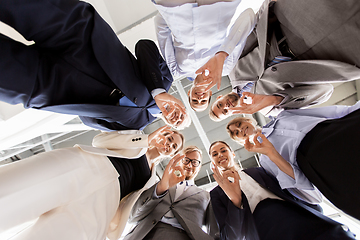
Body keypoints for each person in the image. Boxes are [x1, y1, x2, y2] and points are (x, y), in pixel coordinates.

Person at [0, 0, 190, 132]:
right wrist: (157, 91)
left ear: (170, 125)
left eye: (178, 122)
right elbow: (144, 46)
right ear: (181, 106)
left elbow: (91, 121)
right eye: (181, 114)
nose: (176, 117)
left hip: (52, 88)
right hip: (81, 37)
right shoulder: (164, 80)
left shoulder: (135, 127)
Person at [0, 126, 184, 240]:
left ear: (172, 154)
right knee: (23, 188)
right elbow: (100, 140)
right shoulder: (138, 139)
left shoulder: (154, 179)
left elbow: (136, 212)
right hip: (87, 167)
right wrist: (146, 139)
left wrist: (165, 183)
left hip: (104, 203)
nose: (169, 144)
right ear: (163, 133)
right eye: (169, 138)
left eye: (174, 146)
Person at [210, 0, 360, 119]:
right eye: (224, 111)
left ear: (219, 97)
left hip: (293, 24)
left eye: (220, 104)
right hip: (324, 55)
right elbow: (324, 91)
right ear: (230, 115)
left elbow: (253, 34)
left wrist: (271, 8)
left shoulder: (232, 69)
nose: (226, 106)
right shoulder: (269, 110)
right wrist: (276, 100)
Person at [226, 100, 360, 220]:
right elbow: (305, 190)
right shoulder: (265, 160)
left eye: (239, 124)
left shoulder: (283, 116)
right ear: (240, 142)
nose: (240, 129)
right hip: (324, 164)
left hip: (338, 131)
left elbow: (336, 112)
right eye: (236, 133)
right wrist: (271, 153)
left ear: (249, 120)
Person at [209, 141, 355, 240]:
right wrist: (235, 201)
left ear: (233, 153)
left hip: (299, 216)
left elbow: (291, 189)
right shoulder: (216, 194)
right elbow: (230, 236)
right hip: (265, 229)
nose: (220, 155)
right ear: (212, 163)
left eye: (223, 150)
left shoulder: (260, 171)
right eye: (214, 154)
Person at [152, 0, 256, 111]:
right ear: (210, 93)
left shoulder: (177, 70)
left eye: (194, 100)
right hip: (219, 4)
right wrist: (222, 54)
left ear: (189, 93)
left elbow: (161, 27)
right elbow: (249, 16)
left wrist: (173, 14)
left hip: (178, 6)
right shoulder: (224, 68)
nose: (199, 98)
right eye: (204, 101)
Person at [123, 146, 218, 240]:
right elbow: (133, 216)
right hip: (143, 234)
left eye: (195, 162)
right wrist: (160, 189)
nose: (189, 165)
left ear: (200, 167)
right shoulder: (161, 185)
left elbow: (215, 231)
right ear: (180, 161)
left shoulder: (207, 196)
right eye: (186, 160)